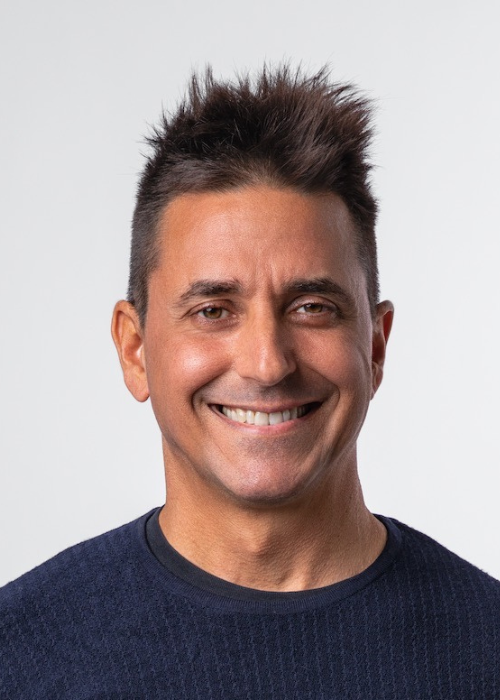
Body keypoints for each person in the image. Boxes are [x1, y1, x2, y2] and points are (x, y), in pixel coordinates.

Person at [1, 65, 499, 699]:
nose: (267, 363)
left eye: (312, 307)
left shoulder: (487, 647)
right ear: (134, 349)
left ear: (375, 346)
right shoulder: (20, 657)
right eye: (213, 311)